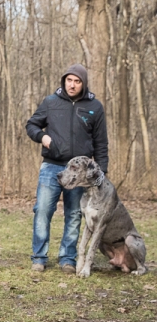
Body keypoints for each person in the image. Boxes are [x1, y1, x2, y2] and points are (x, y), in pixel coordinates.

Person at [26, 63, 108, 273]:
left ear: (83, 83)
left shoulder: (95, 107)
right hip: (51, 167)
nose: (72, 85)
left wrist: (101, 175)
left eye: (77, 81)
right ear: (64, 81)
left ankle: (67, 258)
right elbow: (32, 125)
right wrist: (42, 136)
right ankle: (39, 257)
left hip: (80, 174)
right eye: (69, 80)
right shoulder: (51, 102)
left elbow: (100, 144)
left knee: (73, 214)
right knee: (43, 210)